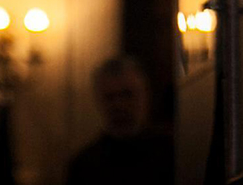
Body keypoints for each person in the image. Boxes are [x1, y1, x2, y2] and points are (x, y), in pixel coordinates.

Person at [66, 56, 174, 185]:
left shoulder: (172, 154)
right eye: (110, 97)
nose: (119, 105)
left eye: (127, 94)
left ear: (145, 95)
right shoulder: (83, 166)